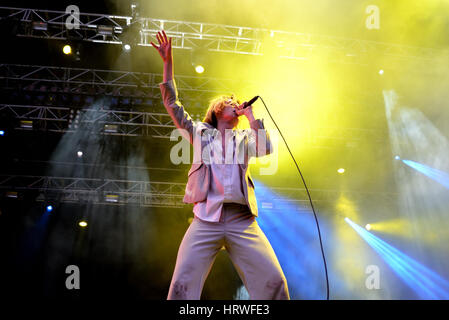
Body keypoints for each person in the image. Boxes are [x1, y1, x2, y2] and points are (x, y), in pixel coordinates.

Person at [151, 30, 289, 300]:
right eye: (227, 101)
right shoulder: (200, 132)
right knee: (181, 285)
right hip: (206, 219)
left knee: (274, 282)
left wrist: (251, 117)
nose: (233, 103)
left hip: (242, 220)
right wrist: (168, 63)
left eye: (235, 102)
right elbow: (172, 104)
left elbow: (266, 148)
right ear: (216, 110)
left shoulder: (245, 136)